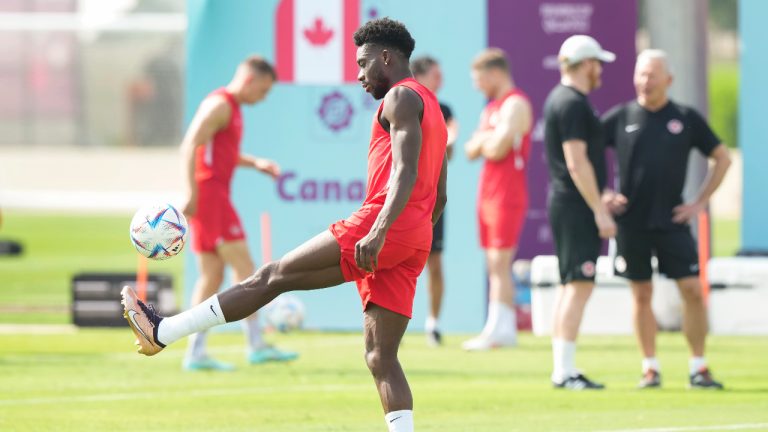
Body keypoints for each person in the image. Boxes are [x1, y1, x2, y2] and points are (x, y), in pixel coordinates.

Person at [122, 18, 447, 432]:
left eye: (364, 63)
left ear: (387, 57)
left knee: (272, 276)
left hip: (384, 226)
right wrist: (410, 235)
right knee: (381, 358)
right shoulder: (430, 103)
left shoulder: (400, 97)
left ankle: (163, 331)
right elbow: (441, 193)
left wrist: (382, 230)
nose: (359, 75)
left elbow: (403, 172)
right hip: (414, 236)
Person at [602, 49, 730, 389]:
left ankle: (698, 367)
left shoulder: (685, 118)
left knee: (691, 290)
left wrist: (699, 202)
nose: (646, 81)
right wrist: (603, 193)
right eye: (641, 74)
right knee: (641, 293)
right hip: (631, 222)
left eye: (653, 74)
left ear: (668, 80)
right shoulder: (621, 116)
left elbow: (722, 157)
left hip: (672, 220)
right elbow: (586, 154)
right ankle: (650, 367)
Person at [179, 55, 297, 371]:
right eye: (264, 90)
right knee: (246, 269)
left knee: (212, 276)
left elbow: (222, 153)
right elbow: (191, 144)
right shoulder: (220, 105)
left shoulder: (232, 109)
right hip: (211, 196)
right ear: (250, 80)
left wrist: (255, 163)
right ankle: (256, 344)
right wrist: (191, 192)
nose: (263, 97)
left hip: (211, 196)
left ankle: (195, 352)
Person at [542, 35, 616, 389]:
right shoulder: (571, 102)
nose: (599, 69)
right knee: (579, 285)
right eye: (597, 62)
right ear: (586, 64)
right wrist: (599, 209)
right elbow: (576, 162)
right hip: (575, 205)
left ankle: (564, 368)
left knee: (571, 284)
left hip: (569, 203)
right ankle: (564, 371)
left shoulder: (567, 100)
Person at [462, 48, 533, 351]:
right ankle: (501, 328)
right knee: (493, 264)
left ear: (494, 73)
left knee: (499, 261)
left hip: (508, 191)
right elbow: (470, 150)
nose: (477, 86)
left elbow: (496, 149)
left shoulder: (515, 103)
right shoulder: (491, 108)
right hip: (488, 191)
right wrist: (485, 140)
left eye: (479, 79)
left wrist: (484, 140)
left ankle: (499, 329)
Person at [410, 55, 458, 347]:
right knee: (393, 262)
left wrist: (443, 141)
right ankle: (389, 321)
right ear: (422, 75)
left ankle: (433, 326)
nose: (440, 81)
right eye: (436, 75)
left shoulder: (444, 109)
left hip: (433, 197)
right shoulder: (406, 103)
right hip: (405, 197)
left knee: (434, 263)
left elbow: (451, 140)